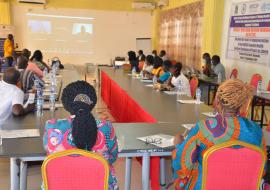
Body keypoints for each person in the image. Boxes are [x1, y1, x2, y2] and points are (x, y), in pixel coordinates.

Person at [172, 79, 267, 190]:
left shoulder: (203, 128)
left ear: (217, 100)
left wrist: (178, 144)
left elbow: (182, 165)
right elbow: (262, 169)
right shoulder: (256, 130)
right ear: (242, 104)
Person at [43, 81, 118, 189]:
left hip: (60, 185)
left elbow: (49, 153)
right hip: (99, 185)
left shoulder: (51, 127)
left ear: (65, 104)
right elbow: (112, 157)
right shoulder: (106, 127)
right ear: (93, 103)